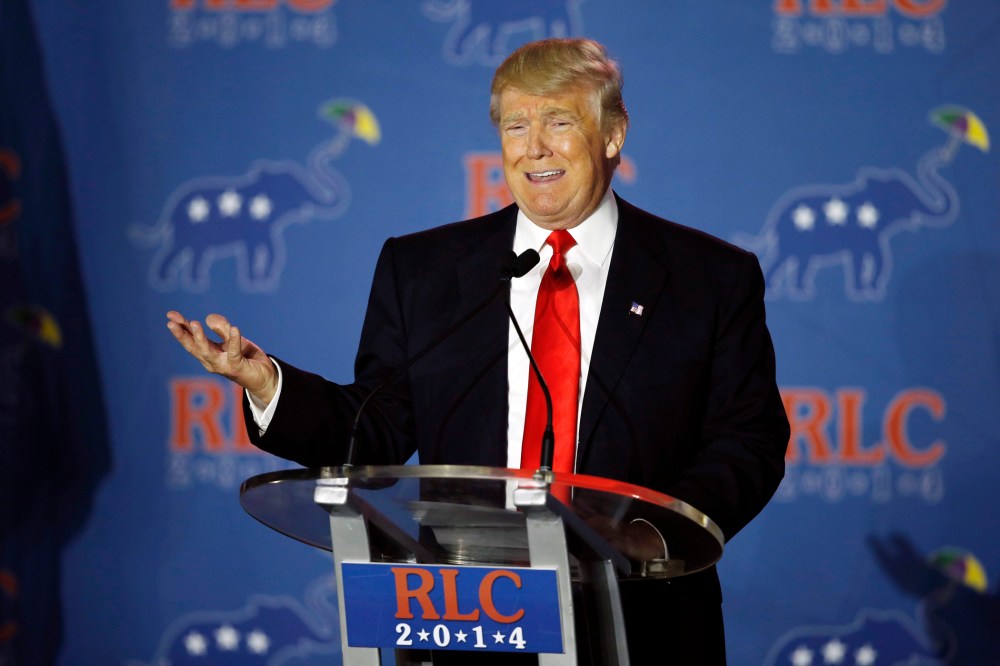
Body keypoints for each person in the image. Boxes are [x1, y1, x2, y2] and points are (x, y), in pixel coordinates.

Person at [167, 38, 789, 664]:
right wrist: (266, 383)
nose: (535, 147)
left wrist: (646, 535)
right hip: (467, 621)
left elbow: (750, 440)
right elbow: (374, 428)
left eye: (560, 121)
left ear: (613, 135)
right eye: (516, 125)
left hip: (644, 618)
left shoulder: (706, 277)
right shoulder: (426, 270)